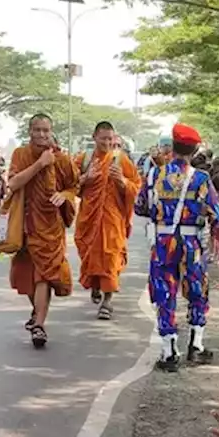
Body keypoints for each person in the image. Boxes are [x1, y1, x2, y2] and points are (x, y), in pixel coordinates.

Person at [135, 123, 219, 371]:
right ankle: (196, 345)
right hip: (191, 242)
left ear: (172, 147)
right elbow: (217, 213)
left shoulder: (153, 175)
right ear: (194, 150)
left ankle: (169, 351)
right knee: (197, 290)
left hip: (163, 242)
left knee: (164, 291)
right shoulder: (201, 178)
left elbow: (140, 207)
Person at [7, 113, 79, 348]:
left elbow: (73, 186)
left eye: (46, 131)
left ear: (51, 131)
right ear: (29, 131)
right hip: (26, 225)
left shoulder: (63, 159)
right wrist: (39, 165)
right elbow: (14, 183)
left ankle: (39, 324)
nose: (41, 135)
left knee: (44, 275)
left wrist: (64, 196)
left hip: (51, 228)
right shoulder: (21, 154)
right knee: (29, 275)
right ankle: (36, 312)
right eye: (37, 130)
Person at [74, 120, 142, 320]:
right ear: (94, 137)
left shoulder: (120, 160)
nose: (107, 143)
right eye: (103, 139)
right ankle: (95, 284)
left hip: (113, 218)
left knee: (111, 255)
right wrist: (86, 178)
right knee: (89, 252)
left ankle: (107, 301)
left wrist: (122, 181)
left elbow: (136, 186)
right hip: (89, 217)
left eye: (110, 139)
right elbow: (69, 186)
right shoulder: (84, 159)